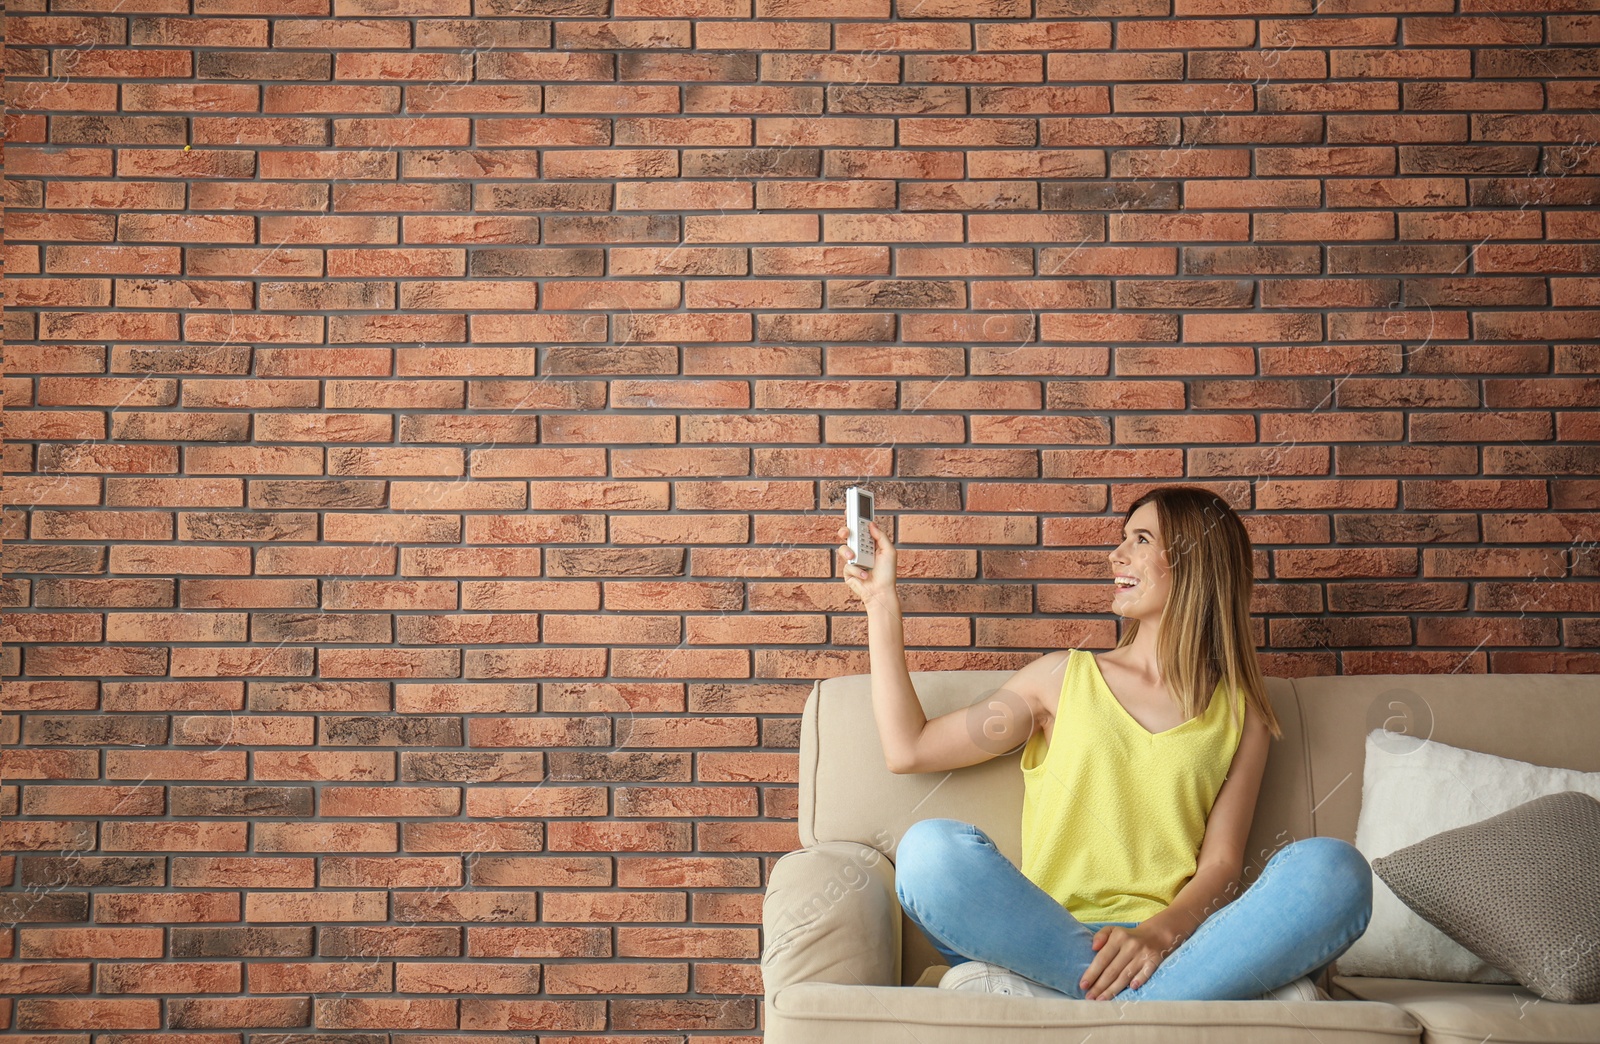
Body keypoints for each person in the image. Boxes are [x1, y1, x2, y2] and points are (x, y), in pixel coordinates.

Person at [834, 485, 1373, 1003]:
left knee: (1336, 871)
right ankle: (1153, 1002)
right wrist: (881, 601)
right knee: (930, 851)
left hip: (1175, 947)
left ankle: (1096, 999)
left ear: (1195, 561)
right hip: (1049, 936)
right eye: (1123, 539)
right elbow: (910, 748)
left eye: (1140, 541)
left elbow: (1221, 867)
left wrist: (1160, 935)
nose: (1116, 555)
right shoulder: (1060, 680)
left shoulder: (1242, 714)